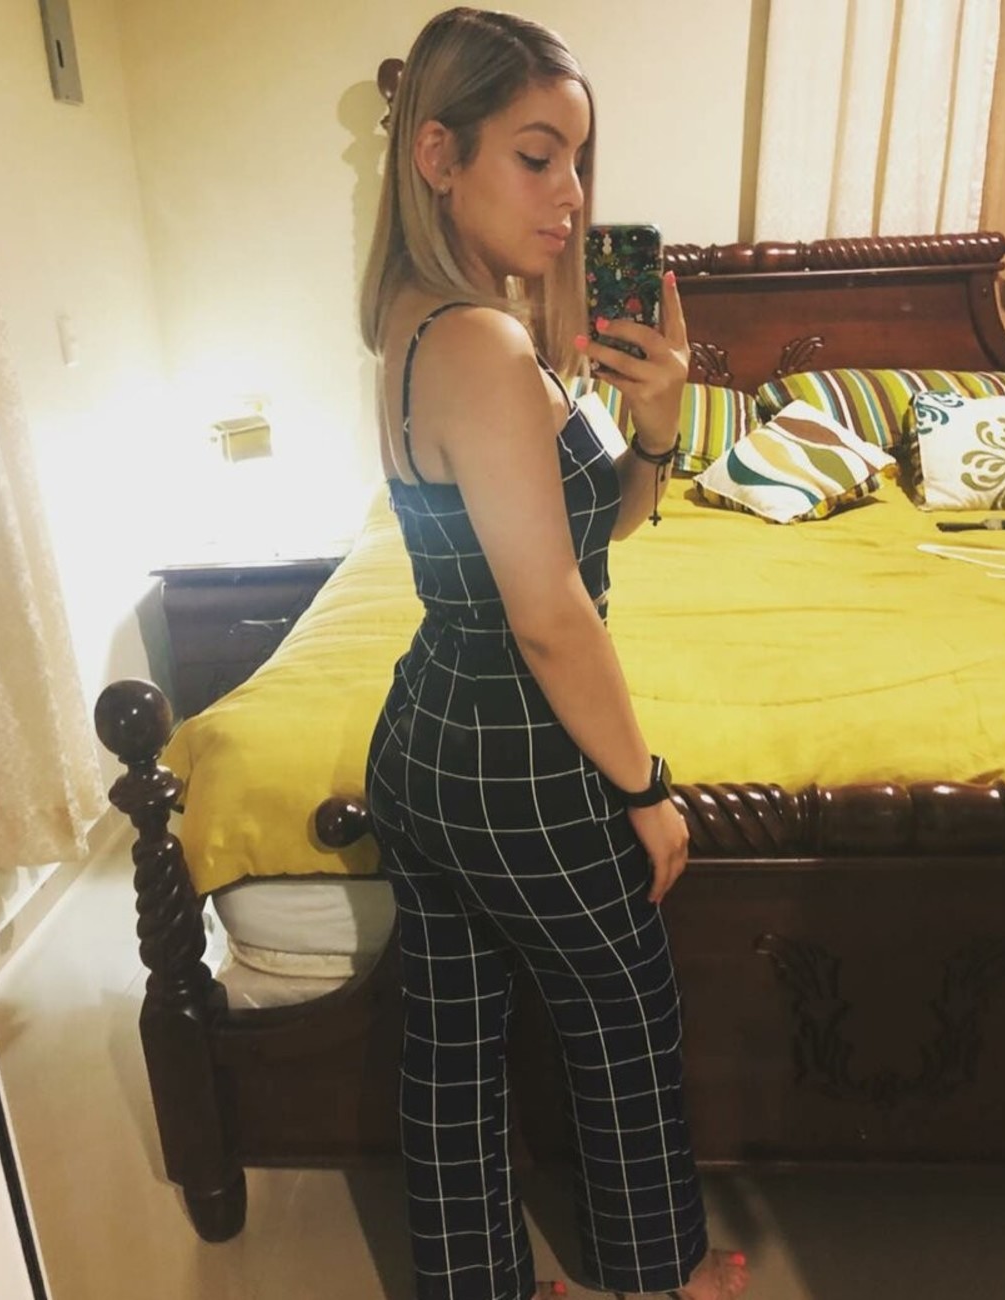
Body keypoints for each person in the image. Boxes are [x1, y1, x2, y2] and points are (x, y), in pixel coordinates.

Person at [360, 9, 750, 1299]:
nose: (572, 194)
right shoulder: (484, 345)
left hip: (424, 739)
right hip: (515, 753)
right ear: (438, 154)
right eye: (537, 157)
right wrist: (645, 786)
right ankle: (660, 1278)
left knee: (453, 1043)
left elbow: (596, 526)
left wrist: (657, 425)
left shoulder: (415, 320)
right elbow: (551, 613)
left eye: (579, 160)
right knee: (625, 1011)